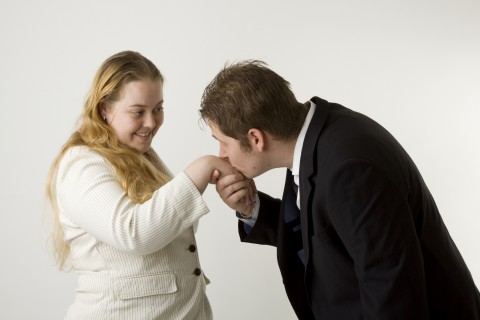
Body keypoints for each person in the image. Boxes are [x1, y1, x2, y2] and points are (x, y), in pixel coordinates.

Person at [200, 60, 480, 319]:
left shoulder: (351, 170)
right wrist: (251, 208)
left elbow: (392, 293)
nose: (222, 154)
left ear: (256, 138)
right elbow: (323, 228)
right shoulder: (312, 133)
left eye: (223, 141)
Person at [46, 50, 234, 320]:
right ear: (104, 109)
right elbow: (133, 233)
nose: (151, 122)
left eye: (158, 108)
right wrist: (201, 169)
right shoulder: (82, 164)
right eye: (138, 112)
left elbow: (173, 230)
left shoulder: (140, 155)